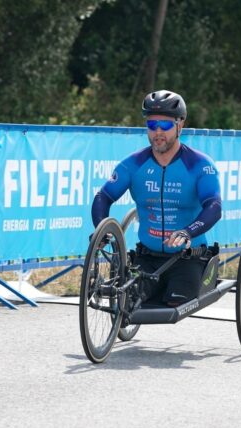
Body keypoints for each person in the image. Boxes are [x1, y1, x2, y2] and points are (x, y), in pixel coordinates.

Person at [91, 90, 222, 307]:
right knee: (129, 302)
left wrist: (187, 232)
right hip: (147, 259)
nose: (158, 132)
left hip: (187, 258)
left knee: (176, 302)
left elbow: (214, 206)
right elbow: (103, 197)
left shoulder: (200, 165)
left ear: (180, 125)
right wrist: (101, 230)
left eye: (165, 125)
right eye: (152, 125)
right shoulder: (133, 164)